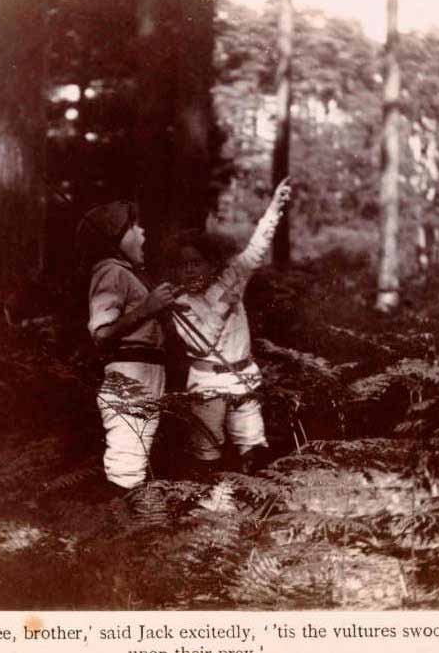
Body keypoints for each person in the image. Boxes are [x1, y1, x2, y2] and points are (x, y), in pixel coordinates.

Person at [169, 178, 292, 475]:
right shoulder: (179, 304)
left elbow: (256, 248)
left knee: (253, 444)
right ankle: (208, 508)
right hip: (206, 382)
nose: (190, 270)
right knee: (207, 450)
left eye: (196, 263)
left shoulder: (231, 278)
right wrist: (224, 304)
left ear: (211, 264)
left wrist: (274, 206)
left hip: (242, 376)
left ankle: (250, 505)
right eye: (183, 265)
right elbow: (200, 344)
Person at [76, 201, 175, 493]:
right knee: (126, 461)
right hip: (129, 373)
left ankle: (132, 528)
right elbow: (102, 334)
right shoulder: (110, 272)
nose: (142, 232)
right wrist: (148, 308)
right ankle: (116, 530)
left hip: (147, 372)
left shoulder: (128, 274)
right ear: (115, 237)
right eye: (134, 226)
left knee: (138, 456)